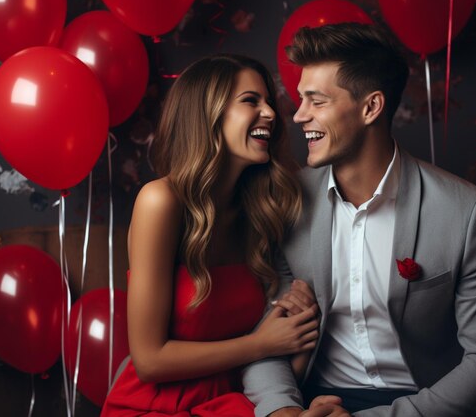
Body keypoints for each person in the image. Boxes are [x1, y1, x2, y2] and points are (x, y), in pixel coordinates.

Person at [243, 23, 476, 417]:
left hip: (428, 404)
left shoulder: (466, 211)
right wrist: (282, 410)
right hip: (320, 400)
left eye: (316, 101)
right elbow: (266, 336)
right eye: (300, 100)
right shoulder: (287, 200)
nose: (299, 116)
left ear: (371, 107)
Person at [101, 53, 319, 416]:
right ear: (208, 114)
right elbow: (149, 360)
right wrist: (261, 344)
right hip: (156, 407)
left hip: (238, 402)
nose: (270, 113)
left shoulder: (260, 209)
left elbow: (270, 354)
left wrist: (297, 338)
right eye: (251, 101)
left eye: (268, 102)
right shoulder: (161, 202)